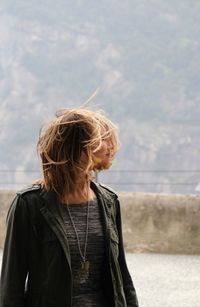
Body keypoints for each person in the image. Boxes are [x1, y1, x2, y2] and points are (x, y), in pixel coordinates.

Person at [0, 107, 139, 307]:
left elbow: (122, 277)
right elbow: (11, 289)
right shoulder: (29, 204)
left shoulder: (109, 201)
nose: (112, 146)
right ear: (77, 146)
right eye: (103, 139)